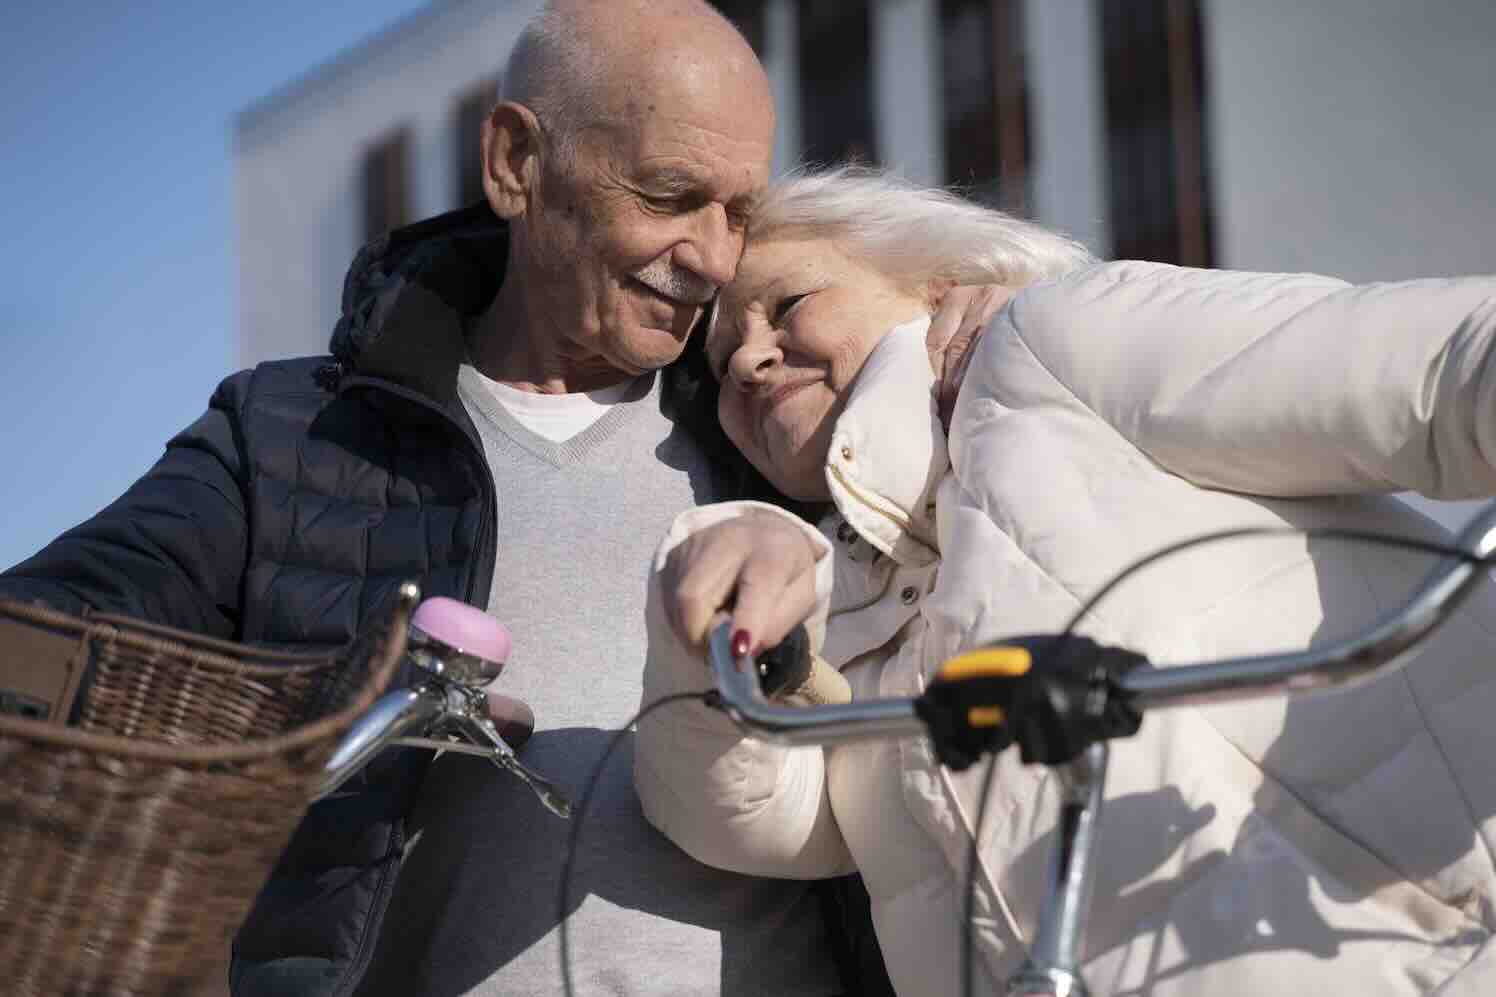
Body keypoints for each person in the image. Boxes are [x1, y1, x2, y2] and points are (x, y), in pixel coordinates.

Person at [0, 4, 988, 994]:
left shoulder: (773, 425)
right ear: (515, 161)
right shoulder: (292, 436)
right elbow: (36, 648)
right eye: (668, 194)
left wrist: (991, 327)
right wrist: (330, 712)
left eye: (736, 210)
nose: (714, 260)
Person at [636, 165, 1496, 996]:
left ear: (932, 281)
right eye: (718, 364)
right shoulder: (827, 602)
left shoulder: (1052, 345)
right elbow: (749, 816)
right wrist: (710, 612)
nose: (747, 359)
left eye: (786, 305)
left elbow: (1431, 371)